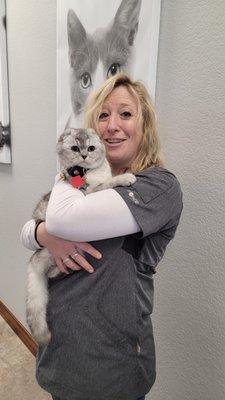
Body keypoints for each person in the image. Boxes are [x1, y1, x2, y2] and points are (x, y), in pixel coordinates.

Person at [21, 72, 183, 400]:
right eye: (103, 116)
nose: (112, 125)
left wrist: (66, 174)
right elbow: (31, 228)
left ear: (145, 125)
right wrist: (42, 233)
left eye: (125, 113)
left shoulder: (158, 186)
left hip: (112, 369)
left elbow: (63, 217)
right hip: (62, 359)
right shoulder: (86, 180)